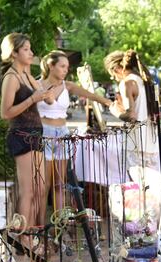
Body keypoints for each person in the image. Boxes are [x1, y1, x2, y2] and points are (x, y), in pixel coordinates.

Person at [37, 51, 112, 219]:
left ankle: (60, 228)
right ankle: (40, 227)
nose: (65, 70)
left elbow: (89, 94)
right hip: (45, 134)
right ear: (51, 65)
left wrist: (108, 102)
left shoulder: (67, 85)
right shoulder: (37, 85)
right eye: (62, 66)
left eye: (67, 67)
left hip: (62, 134)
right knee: (44, 185)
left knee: (60, 184)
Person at [0, 33, 55, 247]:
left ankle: (31, 234)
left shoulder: (27, 75)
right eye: (26, 50)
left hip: (36, 134)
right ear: (14, 53)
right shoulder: (11, 77)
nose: (31, 53)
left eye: (31, 49)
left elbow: (48, 100)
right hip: (21, 135)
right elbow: (5, 113)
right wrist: (33, 98)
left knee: (40, 190)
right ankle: (24, 238)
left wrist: (47, 94)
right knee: (28, 190)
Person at [104, 49, 159, 167]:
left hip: (135, 144)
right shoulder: (145, 80)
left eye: (111, 74)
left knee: (135, 184)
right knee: (150, 183)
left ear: (116, 69)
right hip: (150, 143)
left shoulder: (127, 83)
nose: (113, 78)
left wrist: (115, 111)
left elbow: (131, 116)